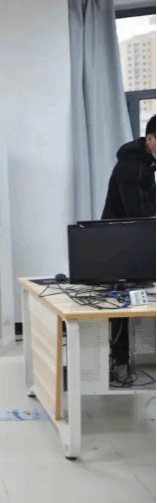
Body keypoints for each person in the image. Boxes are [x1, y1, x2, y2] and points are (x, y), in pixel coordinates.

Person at [101, 114, 156, 370]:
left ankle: (134, 356)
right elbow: (137, 212)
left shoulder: (146, 162)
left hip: (132, 238)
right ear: (150, 139)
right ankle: (120, 360)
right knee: (122, 300)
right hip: (121, 241)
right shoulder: (132, 166)